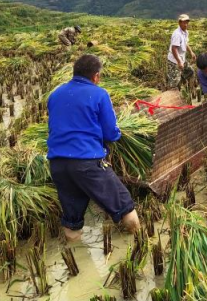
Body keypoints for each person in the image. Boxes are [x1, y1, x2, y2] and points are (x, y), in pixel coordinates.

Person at [47, 54, 140, 242]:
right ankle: (139, 242)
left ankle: (74, 253)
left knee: (72, 220)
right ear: (96, 76)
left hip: (58, 164)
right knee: (125, 206)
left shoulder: (55, 94)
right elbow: (110, 133)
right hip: (87, 163)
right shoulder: (99, 94)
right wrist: (117, 135)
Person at [167, 14, 196, 88]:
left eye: (187, 22)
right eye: (184, 22)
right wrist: (179, 62)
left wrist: (191, 52)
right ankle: (172, 96)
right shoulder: (177, 34)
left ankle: (187, 89)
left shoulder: (185, 32)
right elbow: (174, 49)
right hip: (174, 61)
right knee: (174, 82)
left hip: (181, 58)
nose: (186, 24)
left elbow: (185, 43)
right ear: (179, 23)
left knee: (190, 72)